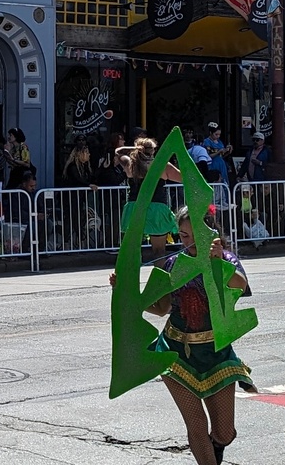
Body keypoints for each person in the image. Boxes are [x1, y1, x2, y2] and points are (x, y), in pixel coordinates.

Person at [110, 204, 251, 465]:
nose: (191, 241)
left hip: (216, 352)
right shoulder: (174, 263)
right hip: (175, 353)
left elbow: (240, 286)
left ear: (211, 231)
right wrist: (124, 291)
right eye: (185, 236)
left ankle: (216, 447)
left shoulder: (226, 259)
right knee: (196, 425)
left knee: (225, 432)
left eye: (196, 234)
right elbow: (161, 308)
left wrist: (217, 262)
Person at [118, 137, 181, 263]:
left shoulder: (131, 164)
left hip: (134, 208)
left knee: (131, 250)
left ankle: (129, 280)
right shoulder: (162, 165)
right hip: (157, 209)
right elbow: (184, 177)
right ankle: (160, 279)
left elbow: (118, 152)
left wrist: (135, 149)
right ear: (153, 150)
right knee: (159, 251)